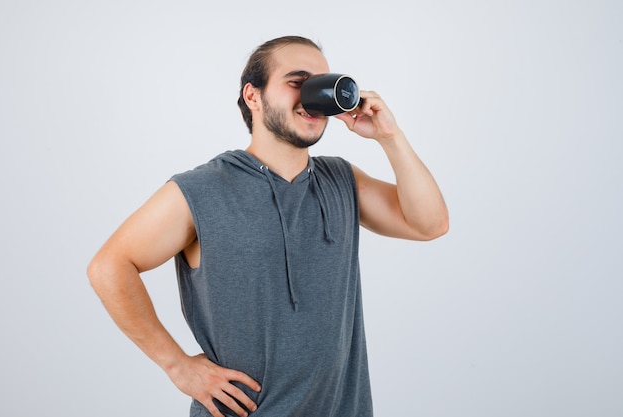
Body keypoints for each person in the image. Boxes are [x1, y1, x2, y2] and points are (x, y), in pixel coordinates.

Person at [87, 35, 449, 417]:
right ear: (253, 96)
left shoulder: (342, 180)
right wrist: (177, 366)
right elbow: (109, 266)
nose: (314, 98)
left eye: (321, 85)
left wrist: (390, 138)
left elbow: (430, 224)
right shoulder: (203, 189)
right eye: (298, 82)